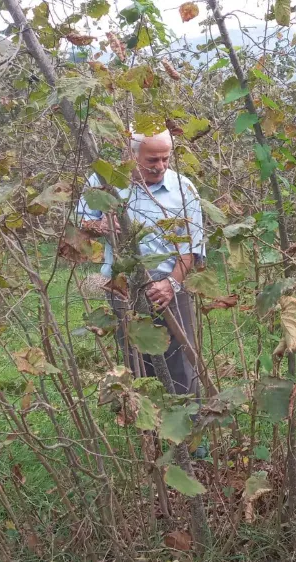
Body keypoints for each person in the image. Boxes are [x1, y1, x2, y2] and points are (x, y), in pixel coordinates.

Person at [75, 129, 204, 400]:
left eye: (165, 159)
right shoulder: (104, 183)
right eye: (152, 160)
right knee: (136, 363)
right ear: (132, 156)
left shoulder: (184, 188)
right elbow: (81, 225)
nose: (160, 167)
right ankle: (150, 435)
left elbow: (193, 247)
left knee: (182, 363)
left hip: (170, 287)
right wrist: (100, 225)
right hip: (123, 288)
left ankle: (190, 435)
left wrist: (171, 284)